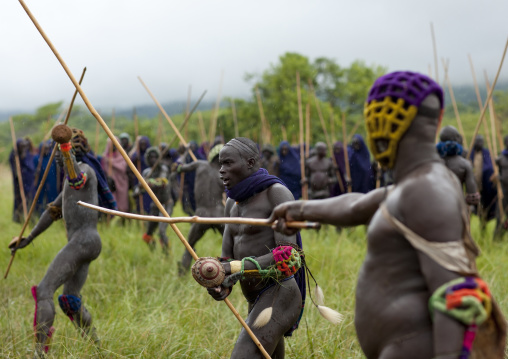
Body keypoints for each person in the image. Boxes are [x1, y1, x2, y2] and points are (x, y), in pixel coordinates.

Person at [269, 72, 506, 358]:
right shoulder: (415, 184)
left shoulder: (428, 190)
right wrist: (301, 207)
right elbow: (357, 206)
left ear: (386, 124)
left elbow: (457, 294)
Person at [9, 126, 117, 357]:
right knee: (70, 299)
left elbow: (77, 178)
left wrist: (64, 145)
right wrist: (28, 239)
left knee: (44, 290)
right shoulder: (68, 182)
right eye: (57, 151)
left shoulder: (85, 170)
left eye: (59, 151)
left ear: (72, 151)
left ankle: (39, 352)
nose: (55, 155)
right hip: (86, 243)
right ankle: (96, 346)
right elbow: (52, 212)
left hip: (84, 241)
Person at [207, 137, 305, 358]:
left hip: (280, 294)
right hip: (255, 300)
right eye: (220, 165)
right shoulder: (232, 203)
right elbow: (227, 259)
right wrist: (219, 280)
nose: (221, 171)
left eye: (228, 163)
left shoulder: (276, 193)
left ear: (250, 163)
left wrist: (236, 267)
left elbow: (288, 256)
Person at [175, 144, 226, 274]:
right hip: (219, 215)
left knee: (189, 246)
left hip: (201, 215)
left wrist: (183, 155)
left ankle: (182, 274)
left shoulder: (199, 164)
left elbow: (179, 168)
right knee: (232, 246)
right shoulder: (224, 174)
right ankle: (236, 272)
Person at [135, 146, 173, 253]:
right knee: (148, 233)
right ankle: (153, 249)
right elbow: (139, 188)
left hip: (166, 204)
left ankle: (167, 254)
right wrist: (137, 191)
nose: (153, 159)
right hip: (155, 205)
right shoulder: (147, 172)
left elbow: (162, 182)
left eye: (155, 157)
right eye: (151, 157)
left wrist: (146, 183)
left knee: (161, 231)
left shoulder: (163, 169)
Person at [437, 126, 480, 206]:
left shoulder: (431, 163)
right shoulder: (465, 164)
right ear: (457, 139)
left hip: (435, 206)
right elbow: (472, 198)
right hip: (457, 207)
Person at [469, 135, 497, 228]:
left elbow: (490, 168)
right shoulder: (470, 153)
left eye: (481, 142)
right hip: (473, 186)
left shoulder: (487, 153)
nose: (479, 143)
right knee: (473, 207)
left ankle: (483, 224)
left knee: (485, 205)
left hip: (485, 186)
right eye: (478, 141)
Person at [9, 137, 35, 223]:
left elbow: (30, 167)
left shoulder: (27, 153)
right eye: (21, 146)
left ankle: (30, 218)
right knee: (18, 198)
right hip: (19, 182)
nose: (23, 147)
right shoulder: (14, 155)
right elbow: (15, 168)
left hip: (28, 181)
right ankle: (17, 218)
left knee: (30, 198)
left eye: (24, 146)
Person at [32, 139, 60, 217]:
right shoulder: (37, 158)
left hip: (51, 181)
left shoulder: (52, 158)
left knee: (52, 196)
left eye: (48, 148)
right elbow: (33, 171)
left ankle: (52, 213)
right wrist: (36, 171)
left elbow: (56, 169)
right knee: (39, 197)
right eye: (45, 149)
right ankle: (40, 213)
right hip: (40, 181)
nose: (46, 150)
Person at [101, 138, 129, 213]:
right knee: (112, 198)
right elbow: (104, 168)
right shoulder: (106, 155)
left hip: (121, 181)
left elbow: (122, 167)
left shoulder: (121, 154)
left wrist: (111, 161)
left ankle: (122, 216)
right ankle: (111, 215)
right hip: (110, 181)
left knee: (122, 200)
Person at [494, 135, 508, 239]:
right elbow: (496, 174)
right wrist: (497, 176)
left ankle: (502, 234)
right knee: (500, 216)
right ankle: (497, 239)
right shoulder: (500, 158)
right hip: (503, 191)